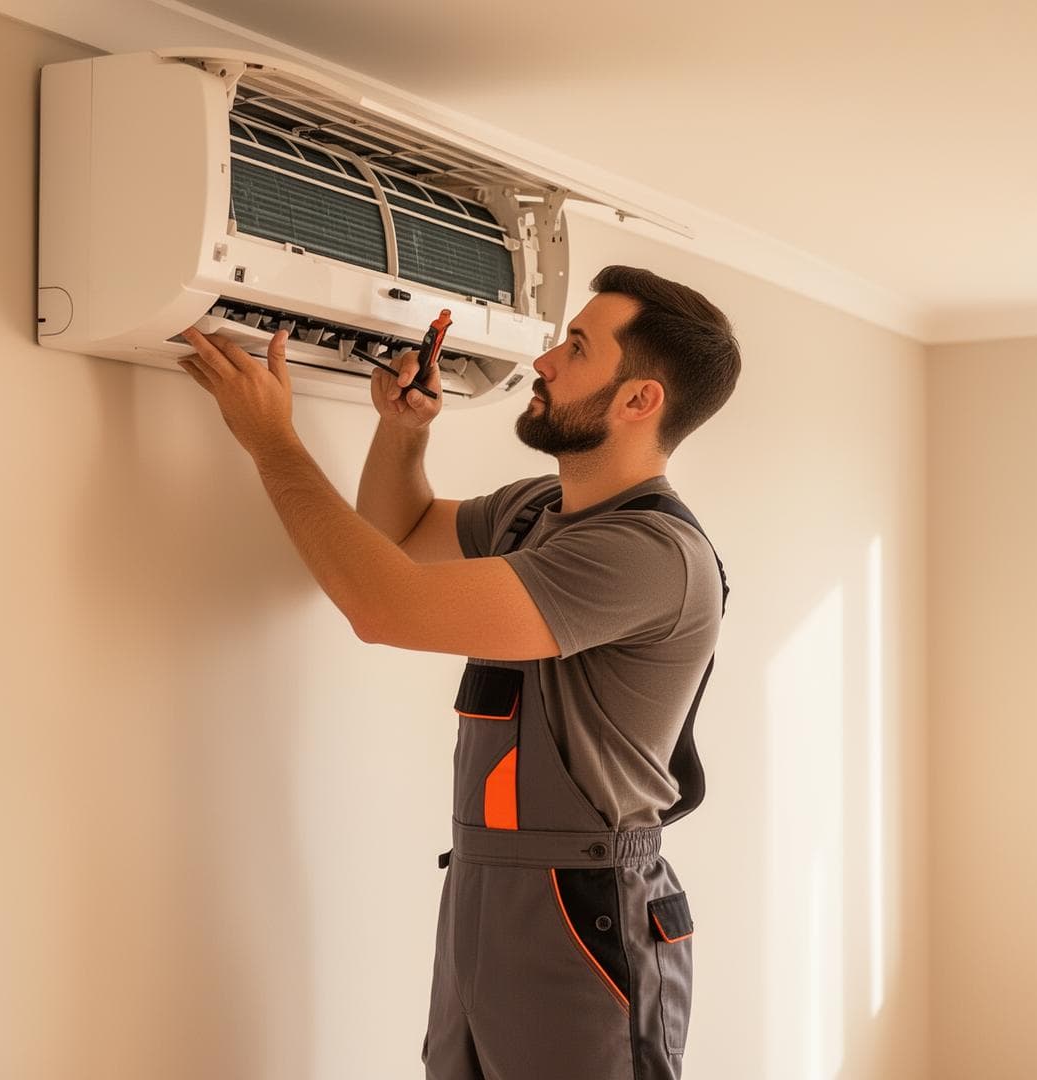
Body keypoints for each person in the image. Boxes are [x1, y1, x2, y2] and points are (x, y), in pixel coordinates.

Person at [175, 265, 740, 1080]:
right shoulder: (535, 511)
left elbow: (384, 606)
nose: (545, 361)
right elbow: (397, 535)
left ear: (639, 400)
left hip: (586, 905)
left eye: (576, 347)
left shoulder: (648, 556)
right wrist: (403, 432)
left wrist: (271, 440)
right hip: (484, 886)